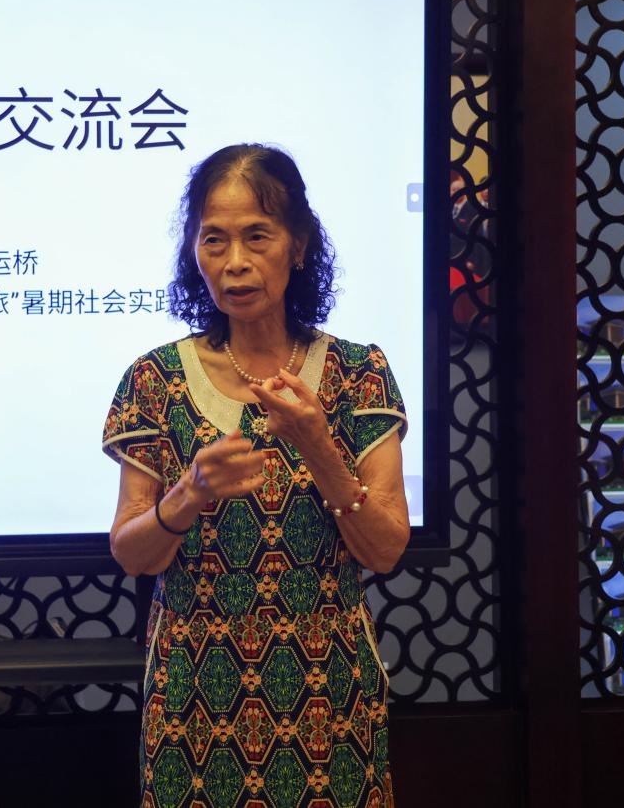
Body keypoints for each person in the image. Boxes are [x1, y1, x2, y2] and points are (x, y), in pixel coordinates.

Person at [102, 144, 409, 808]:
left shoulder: (360, 374)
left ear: (298, 246)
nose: (234, 261)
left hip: (328, 691)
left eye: (257, 236)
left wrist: (317, 444)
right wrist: (188, 495)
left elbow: (386, 549)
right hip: (194, 696)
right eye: (213, 239)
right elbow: (130, 552)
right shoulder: (154, 379)